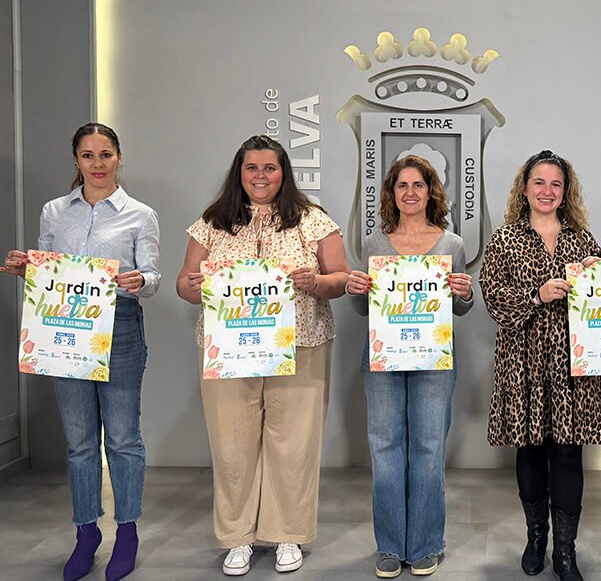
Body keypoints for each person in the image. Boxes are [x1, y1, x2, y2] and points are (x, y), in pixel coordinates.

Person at [176, 135, 350, 576]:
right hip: (228, 350)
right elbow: (184, 282)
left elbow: (342, 278)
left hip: (301, 344)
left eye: (269, 168)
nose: (260, 176)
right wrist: (192, 288)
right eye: (251, 168)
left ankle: (288, 532)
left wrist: (316, 281)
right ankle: (238, 537)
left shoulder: (313, 220)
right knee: (231, 442)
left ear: (283, 172)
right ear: (239, 172)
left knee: (294, 443)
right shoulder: (212, 223)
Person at [2, 123, 159, 581]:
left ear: (119, 157)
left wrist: (138, 281)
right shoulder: (54, 212)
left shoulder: (140, 214)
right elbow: (46, 272)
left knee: (124, 440)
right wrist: (24, 268)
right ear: (76, 160)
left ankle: (126, 531)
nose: (97, 163)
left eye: (105, 154)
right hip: (62, 329)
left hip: (121, 327)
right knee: (80, 443)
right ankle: (86, 531)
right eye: (88, 155)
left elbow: (152, 278)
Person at [481, 150, 601, 581]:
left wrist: (600, 274)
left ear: (565, 191)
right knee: (531, 449)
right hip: (524, 359)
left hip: (573, 362)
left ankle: (565, 551)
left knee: (569, 454)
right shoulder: (505, 239)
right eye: (540, 182)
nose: (547, 191)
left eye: (556, 184)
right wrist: (538, 295)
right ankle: (536, 537)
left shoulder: (583, 240)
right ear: (525, 187)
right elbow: (492, 298)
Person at [346, 155, 474, 578]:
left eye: (418, 185)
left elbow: (458, 309)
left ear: (430, 191)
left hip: (434, 359)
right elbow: (366, 309)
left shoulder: (452, 244)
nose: (410, 193)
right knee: (384, 449)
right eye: (402, 186)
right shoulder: (374, 243)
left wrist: (465, 293)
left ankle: (424, 544)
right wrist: (355, 289)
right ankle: (388, 546)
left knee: (428, 449)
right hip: (383, 357)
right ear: (392, 193)